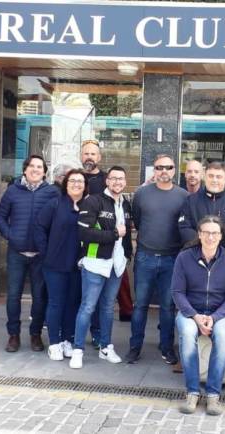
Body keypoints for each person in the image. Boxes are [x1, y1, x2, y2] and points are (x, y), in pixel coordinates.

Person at [172, 216, 225, 416]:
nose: (210, 237)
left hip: (219, 313)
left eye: (215, 233)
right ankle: (192, 392)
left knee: (221, 338)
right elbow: (177, 292)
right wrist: (195, 316)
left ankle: (213, 395)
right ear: (200, 234)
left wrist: (214, 317)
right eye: (206, 232)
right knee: (186, 334)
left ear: (220, 236)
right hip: (190, 312)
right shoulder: (184, 258)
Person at [127, 154, 189, 365]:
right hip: (145, 257)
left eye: (168, 167)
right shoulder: (142, 194)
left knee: (167, 307)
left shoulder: (183, 196)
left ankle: (166, 348)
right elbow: (137, 220)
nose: (164, 171)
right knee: (140, 305)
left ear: (174, 170)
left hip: (172, 259)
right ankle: (134, 347)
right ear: (154, 170)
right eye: (159, 167)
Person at [70, 166, 133, 369]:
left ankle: (106, 347)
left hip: (117, 265)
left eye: (121, 179)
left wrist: (127, 254)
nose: (117, 182)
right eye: (113, 178)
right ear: (107, 181)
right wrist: (115, 234)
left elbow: (127, 235)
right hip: (95, 264)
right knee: (87, 307)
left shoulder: (126, 204)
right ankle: (78, 350)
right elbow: (84, 234)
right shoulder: (93, 201)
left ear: (125, 182)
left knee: (107, 308)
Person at [0, 155, 59, 353]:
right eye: (32, 166)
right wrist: (10, 235)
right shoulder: (13, 190)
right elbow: (0, 216)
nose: (35, 169)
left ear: (44, 171)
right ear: (25, 169)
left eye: (39, 167)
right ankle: (13, 335)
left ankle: (35, 334)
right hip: (17, 253)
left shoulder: (52, 192)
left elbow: (57, 220)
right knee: (13, 295)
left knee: (39, 297)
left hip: (40, 255)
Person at [33, 168, 87, 361]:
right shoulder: (55, 204)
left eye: (80, 181)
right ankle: (54, 343)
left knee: (72, 304)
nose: (76, 184)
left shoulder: (88, 206)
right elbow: (39, 227)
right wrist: (45, 251)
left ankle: (67, 340)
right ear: (66, 183)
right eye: (72, 180)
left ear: (85, 185)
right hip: (54, 264)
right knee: (56, 303)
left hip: (78, 265)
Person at [81, 139, 133, 335]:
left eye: (93, 154)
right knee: (84, 300)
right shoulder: (75, 177)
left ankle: (97, 335)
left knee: (102, 302)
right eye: (86, 153)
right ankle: (73, 339)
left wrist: (126, 252)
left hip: (103, 251)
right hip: (80, 247)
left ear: (99, 158)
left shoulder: (108, 181)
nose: (89, 157)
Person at [179, 160, 225, 245]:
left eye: (218, 177)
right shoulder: (190, 201)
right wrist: (206, 245)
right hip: (196, 252)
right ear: (204, 177)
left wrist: (220, 251)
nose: (214, 180)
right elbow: (185, 228)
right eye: (211, 176)